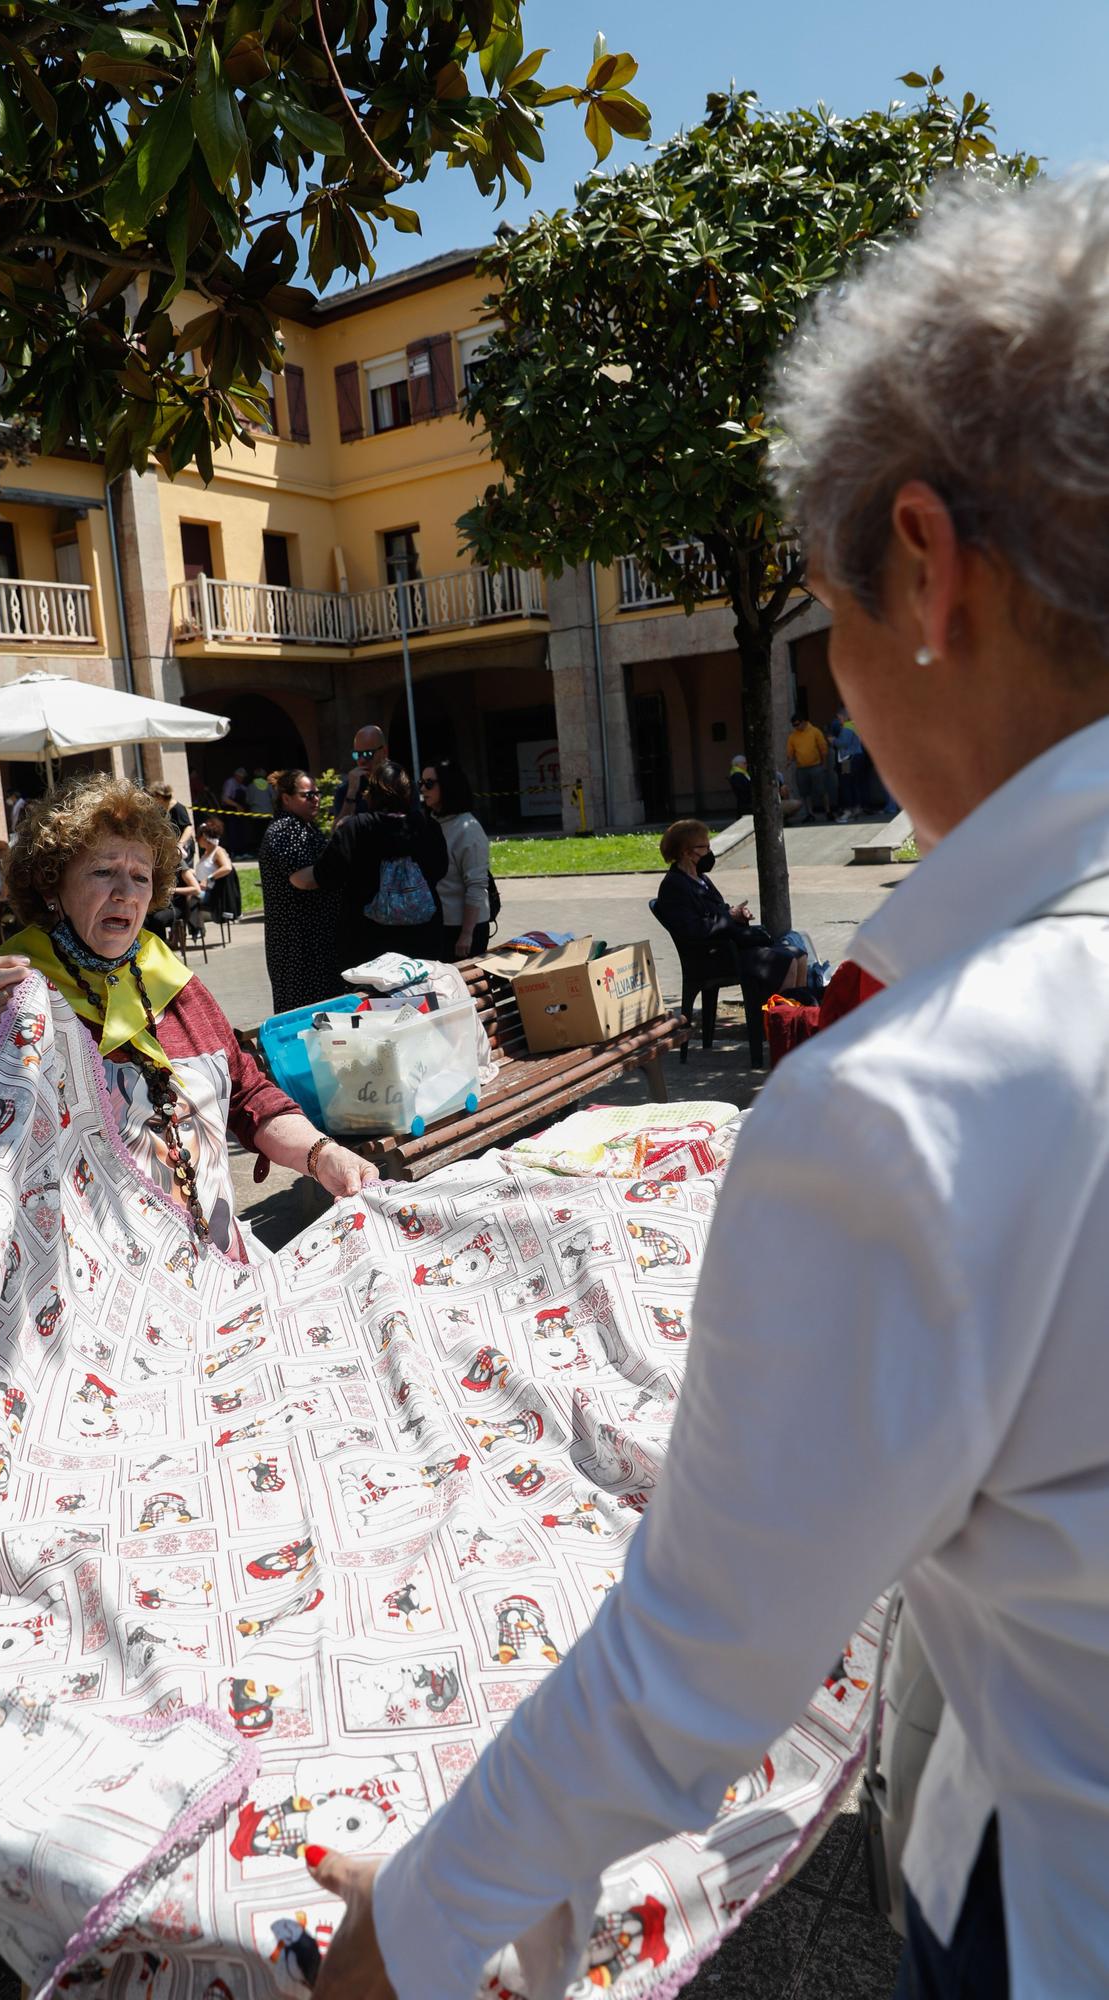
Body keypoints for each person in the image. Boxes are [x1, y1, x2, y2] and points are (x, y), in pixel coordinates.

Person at [311, 171, 1109, 2000]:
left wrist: (403, 1938)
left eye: (819, 613)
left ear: (926, 570)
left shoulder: (921, 1099)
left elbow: (690, 1670)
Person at [0, 774, 378, 1253]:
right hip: (90, 1291)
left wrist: (323, 1154)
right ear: (53, 884)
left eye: (141, 876)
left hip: (211, 1264)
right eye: (104, 871)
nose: (126, 893)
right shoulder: (14, 988)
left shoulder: (172, 980)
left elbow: (248, 1094)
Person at [294, 760, 446, 976]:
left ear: (372, 793)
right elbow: (440, 870)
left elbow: (326, 875)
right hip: (422, 941)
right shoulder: (427, 826)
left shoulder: (355, 828)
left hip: (368, 947)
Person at [650, 819, 805, 998]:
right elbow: (693, 928)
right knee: (787, 961)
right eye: (705, 848)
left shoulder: (700, 878)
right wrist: (729, 917)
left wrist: (737, 914)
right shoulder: (674, 885)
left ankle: (796, 1013)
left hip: (728, 947)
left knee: (798, 955)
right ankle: (777, 1018)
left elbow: (717, 909)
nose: (709, 853)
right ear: (686, 852)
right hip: (713, 955)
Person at [258, 770, 342, 1014]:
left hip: (311, 940)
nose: (315, 799)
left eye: (316, 793)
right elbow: (303, 879)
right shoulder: (286, 830)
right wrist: (340, 873)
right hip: (298, 946)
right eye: (307, 795)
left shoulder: (304, 826)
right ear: (286, 798)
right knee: (305, 1017)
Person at [421, 757, 491, 960]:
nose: (423, 789)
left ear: (448, 786)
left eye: (429, 784)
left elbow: (477, 885)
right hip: (438, 925)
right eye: (421, 783)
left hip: (463, 929)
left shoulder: (468, 828)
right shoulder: (432, 822)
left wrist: (466, 934)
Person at [332, 724, 388, 821]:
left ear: (384, 752)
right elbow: (337, 833)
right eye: (357, 754)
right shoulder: (345, 790)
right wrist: (351, 793)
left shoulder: (400, 784)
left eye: (368, 754)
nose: (362, 760)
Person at [785, 710, 832, 821]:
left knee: (822, 790)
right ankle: (809, 814)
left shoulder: (815, 732)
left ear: (804, 722)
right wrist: (789, 760)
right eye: (793, 725)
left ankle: (828, 811)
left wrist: (824, 764)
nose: (795, 727)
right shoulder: (793, 736)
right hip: (801, 768)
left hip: (816, 766)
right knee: (805, 793)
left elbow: (823, 748)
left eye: (797, 724)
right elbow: (790, 752)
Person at [195, 821, 240, 930]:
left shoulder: (218, 851)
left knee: (188, 898)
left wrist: (208, 878)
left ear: (205, 838)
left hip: (211, 892)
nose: (197, 840)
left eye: (198, 837)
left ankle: (196, 929)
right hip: (201, 888)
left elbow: (227, 867)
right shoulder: (206, 853)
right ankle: (191, 929)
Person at [828, 704, 870, 821]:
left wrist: (833, 741)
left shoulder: (847, 727)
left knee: (846, 784)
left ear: (843, 717)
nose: (838, 720)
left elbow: (843, 743)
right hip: (856, 757)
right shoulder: (854, 726)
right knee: (854, 784)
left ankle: (848, 810)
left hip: (848, 760)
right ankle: (856, 808)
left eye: (839, 717)